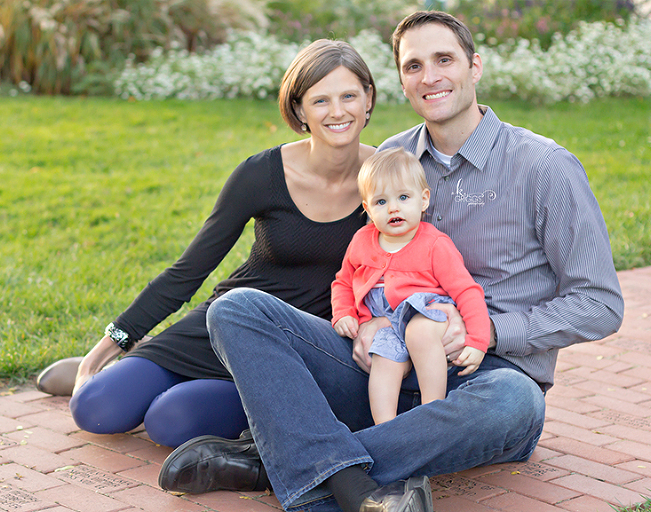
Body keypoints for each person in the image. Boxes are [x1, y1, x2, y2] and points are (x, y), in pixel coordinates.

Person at [157, 10, 625, 512]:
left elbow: (599, 304)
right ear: (401, 81)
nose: (430, 77)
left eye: (444, 59)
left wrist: (483, 329)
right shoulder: (390, 159)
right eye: (413, 65)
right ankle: (345, 479)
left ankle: (279, 466)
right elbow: (360, 266)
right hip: (383, 366)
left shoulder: (543, 167)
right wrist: (364, 322)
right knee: (237, 309)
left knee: (514, 401)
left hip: (482, 381)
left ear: (475, 67)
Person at [37, 39, 377, 450]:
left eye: (348, 96)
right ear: (300, 109)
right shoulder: (261, 174)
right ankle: (123, 360)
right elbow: (187, 272)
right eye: (320, 100)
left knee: (170, 422)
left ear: (368, 98)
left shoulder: (385, 181)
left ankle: (156, 381)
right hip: (220, 327)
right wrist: (98, 354)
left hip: (288, 352)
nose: (337, 111)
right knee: (95, 408)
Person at [332, 147, 489, 421]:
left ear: (423, 200)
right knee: (384, 359)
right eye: (381, 202)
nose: (393, 207)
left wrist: (478, 341)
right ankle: (387, 428)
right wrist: (343, 313)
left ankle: (431, 411)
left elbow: (467, 291)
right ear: (367, 208)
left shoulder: (434, 244)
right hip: (386, 324)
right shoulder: (361, 241)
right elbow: (343, 282)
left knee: (418, 332)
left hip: (427, 311)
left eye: (404, 197)